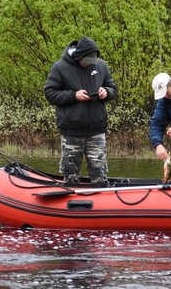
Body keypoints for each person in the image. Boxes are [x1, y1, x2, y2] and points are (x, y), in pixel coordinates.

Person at [44, 36, 117, 184]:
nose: (89, 64)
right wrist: (73, 95)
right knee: (70, 175)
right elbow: (50, 93)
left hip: (97, 130)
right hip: (71, 131)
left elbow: (113, 88)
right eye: (86, 61)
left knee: (100, 176)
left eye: (92, 61)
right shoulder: (59, 67)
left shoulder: (101, 66)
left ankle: (101, 200)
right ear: (78, 57)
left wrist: (106, 92)